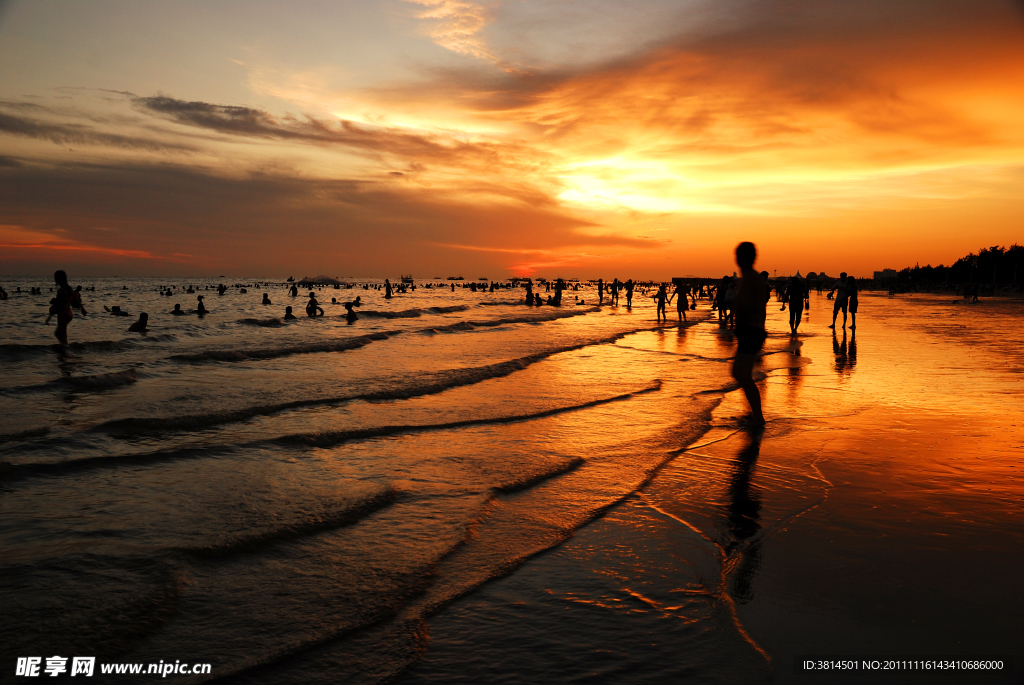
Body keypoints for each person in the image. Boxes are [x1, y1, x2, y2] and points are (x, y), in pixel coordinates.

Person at [731, 242, 767, 428]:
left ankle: (758, 417)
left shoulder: (752, 278)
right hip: (750, 331)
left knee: (742, 374)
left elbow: (750, 306)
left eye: (740, 255)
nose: (737, 259)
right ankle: (754, 413)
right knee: (739, 373)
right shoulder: (749, 278)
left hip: (751, 331)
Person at [51, 270, 75, 344]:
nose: (55, 279)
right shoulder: (69, 289)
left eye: (56, 277)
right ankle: (64, 348)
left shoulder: (61, 290)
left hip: (63, 313)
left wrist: (50, 316)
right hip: (69, 313)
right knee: (62, 333)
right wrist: (82, 308)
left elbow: (58, 304)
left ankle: (64, 349)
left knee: (60, 334)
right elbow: (75, 298)